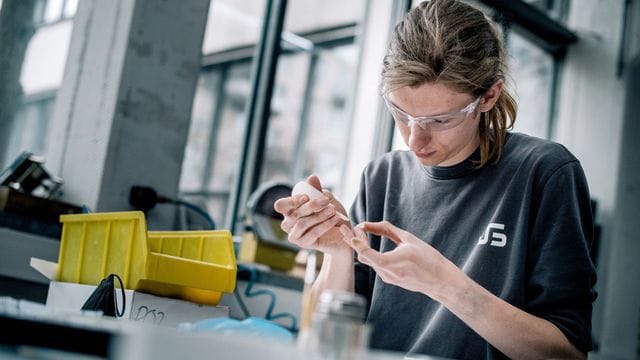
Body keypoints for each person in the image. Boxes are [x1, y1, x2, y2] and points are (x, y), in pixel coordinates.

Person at [273, 0, 597, 358]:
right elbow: (326, 344)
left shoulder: (545, 172)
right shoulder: (381, 177)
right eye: (401, 113)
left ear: (488, 96)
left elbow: (566, 353)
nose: (414, 140)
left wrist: (446, 285)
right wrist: (335, 249)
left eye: (440, 120)